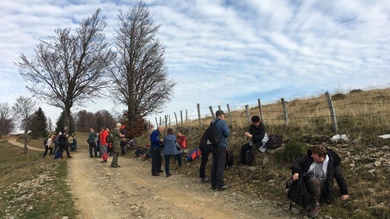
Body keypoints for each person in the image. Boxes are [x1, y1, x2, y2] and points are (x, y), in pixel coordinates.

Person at [289, 145, 350, 218]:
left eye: (314, 155)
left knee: (313, 180)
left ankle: (315, 204)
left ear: (321, 156)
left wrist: (344, 192)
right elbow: (297, 162)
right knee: (290, 182)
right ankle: (303, 200)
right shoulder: (309, 158)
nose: (312, 156)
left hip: (322, 185)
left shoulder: (332, 164)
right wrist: (295, 172)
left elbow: (339, 178)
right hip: (306, 181)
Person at [210, 110, 230, 191]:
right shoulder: (222, 122)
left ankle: (213, 185)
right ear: (221, 115)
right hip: (221, 146)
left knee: (214, 165)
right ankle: (220, 185)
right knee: (220, 165)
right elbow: (227, 133)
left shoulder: (212, 123)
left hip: (213, 146)